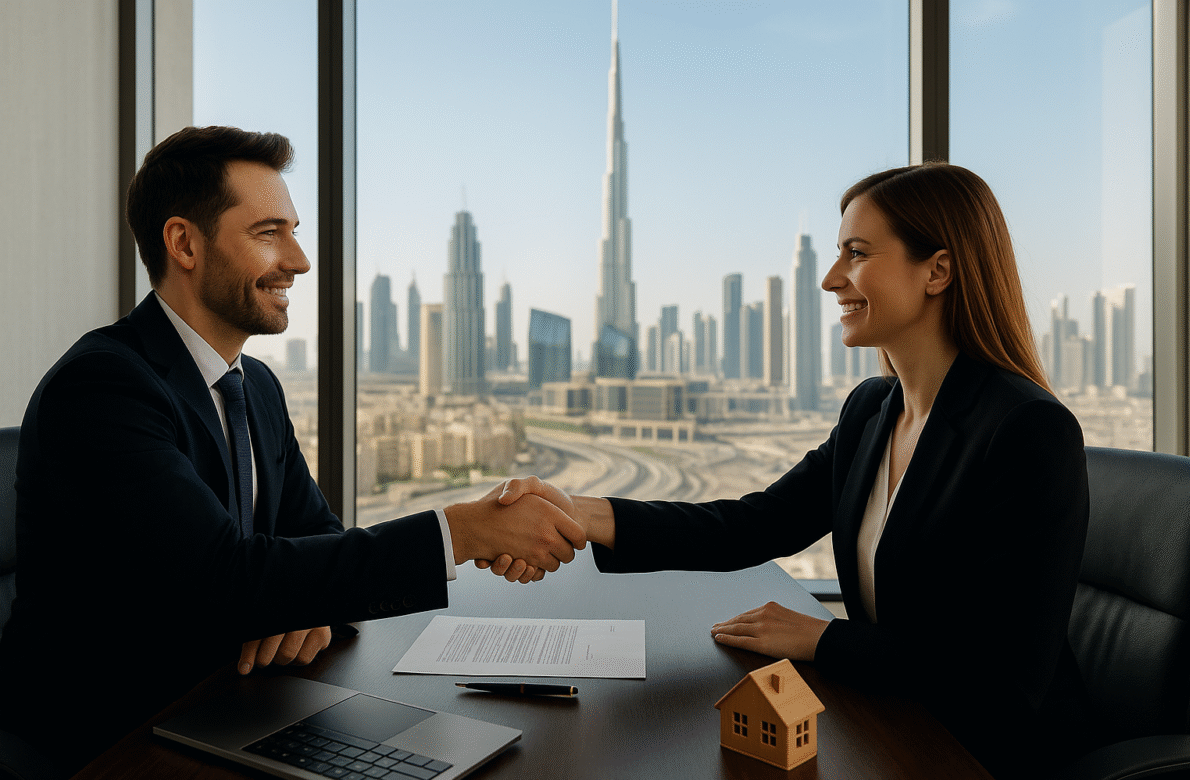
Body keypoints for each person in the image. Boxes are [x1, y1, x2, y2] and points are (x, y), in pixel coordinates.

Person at [0, 125, 585, 774]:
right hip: (109, 738)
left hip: (231, 705)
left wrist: (298, 600)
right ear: (184, 243)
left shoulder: (258, 387)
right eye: (268, 233)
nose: (300, 261)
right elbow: (225, 582)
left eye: (294, 231)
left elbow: (314, 537)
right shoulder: (104, 387)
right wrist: (461, 532)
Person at [488, 162, 1095, 779]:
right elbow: (755, 524)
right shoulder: (871, 412)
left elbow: (1004, 677)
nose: (832, 279)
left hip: (990, 754)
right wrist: (583, 513)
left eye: (856, 254)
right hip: (893, 719)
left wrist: (821, 638)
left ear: (937, 271)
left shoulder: (1027, 431)